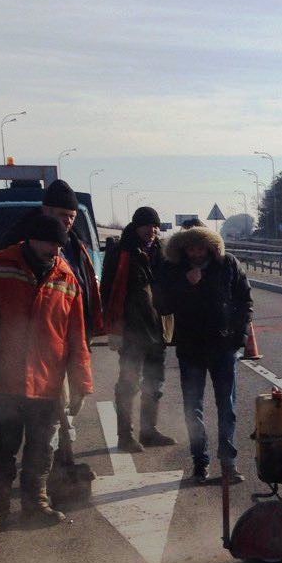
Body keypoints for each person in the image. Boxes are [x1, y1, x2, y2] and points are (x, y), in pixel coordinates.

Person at [0, 213, 93, 528]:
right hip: (7, 378)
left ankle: (36, 505)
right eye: (50, 244)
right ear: (31, 239)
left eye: (60, 246)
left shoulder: (66, 277)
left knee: (42, 449)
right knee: (3, 448)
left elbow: (76, 336)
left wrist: (81, 383)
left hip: (48, 381)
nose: (55, 251)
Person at [159, 223, 252, 484]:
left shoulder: (228, 264)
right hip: (190, 348)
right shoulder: (174, 268)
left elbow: (245, 301)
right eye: (191, 248)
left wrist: (239, 337)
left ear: (210, 246)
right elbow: (162, 304)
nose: (196, 253)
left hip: (223, 348)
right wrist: (185, 284)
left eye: (201, 248)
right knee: (193, 408)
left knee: (227, 407)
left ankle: (228, 463)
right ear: (183, 249)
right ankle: (200, 462)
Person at [101, 205, 176, 453]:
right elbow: (108, 289)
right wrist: (113, 326)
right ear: (136, 226)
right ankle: (125, 436)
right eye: (146, 225)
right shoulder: (121, 251)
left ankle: (149, 431)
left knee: (155, 383)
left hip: (157, 329)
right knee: (128, 383)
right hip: (131, 330)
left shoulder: (162, 252)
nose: (151, 230)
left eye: (155, 226)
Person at [0, 178, 103, 341]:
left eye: (72, 216)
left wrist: (93, 323)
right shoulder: (20, 245)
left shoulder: (77, 245)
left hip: (74, 329)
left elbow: (87, 285)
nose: (68, 221)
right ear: (46, 210)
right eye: (63, 215)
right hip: (35, 335)